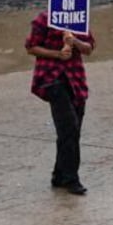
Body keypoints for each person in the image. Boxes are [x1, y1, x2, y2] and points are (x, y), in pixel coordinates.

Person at [25, 12, 95, 195]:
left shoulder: (80, 17)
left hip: (75, 79)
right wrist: (57, 54)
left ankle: (59, 174)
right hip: (51, 78)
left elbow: (89, 48)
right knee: (69, 126)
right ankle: (71, 177)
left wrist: (74, 41)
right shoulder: (43, 19)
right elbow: (31, 47)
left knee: (72, 129)